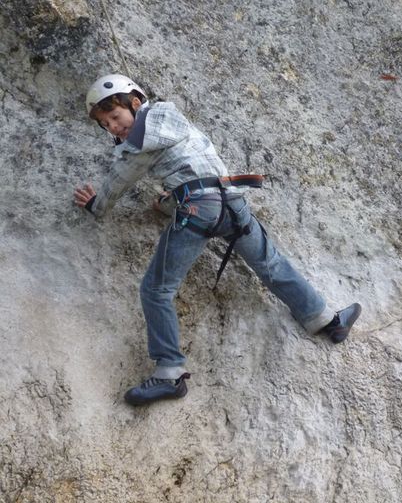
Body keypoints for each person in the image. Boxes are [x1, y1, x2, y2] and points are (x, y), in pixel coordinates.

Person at [74, 74, 361, 406]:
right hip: (232, 201)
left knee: (156, 290)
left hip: (199, 208)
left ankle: (169, 372)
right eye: (105, 124)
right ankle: (326, 320)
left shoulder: (138, 142)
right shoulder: (174, 118)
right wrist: (169, 204)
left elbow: (120, 178)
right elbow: (197, 173)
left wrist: (96, 206)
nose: (113, 127)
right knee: (270, 263)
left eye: (115, 116)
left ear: (135, 103)